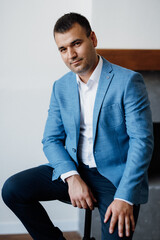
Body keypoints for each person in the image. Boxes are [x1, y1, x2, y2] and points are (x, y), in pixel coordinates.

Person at [2, 12, 154, 240]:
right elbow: (51, 139)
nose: (71, 54)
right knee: (13, 189)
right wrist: (72, 177)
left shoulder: (128, 81)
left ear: (92, 39)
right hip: (75, 170)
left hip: (114, 180)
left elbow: (142, 142)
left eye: (76, 43)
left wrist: (124, 197)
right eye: (63, 49)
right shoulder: (60, 87)